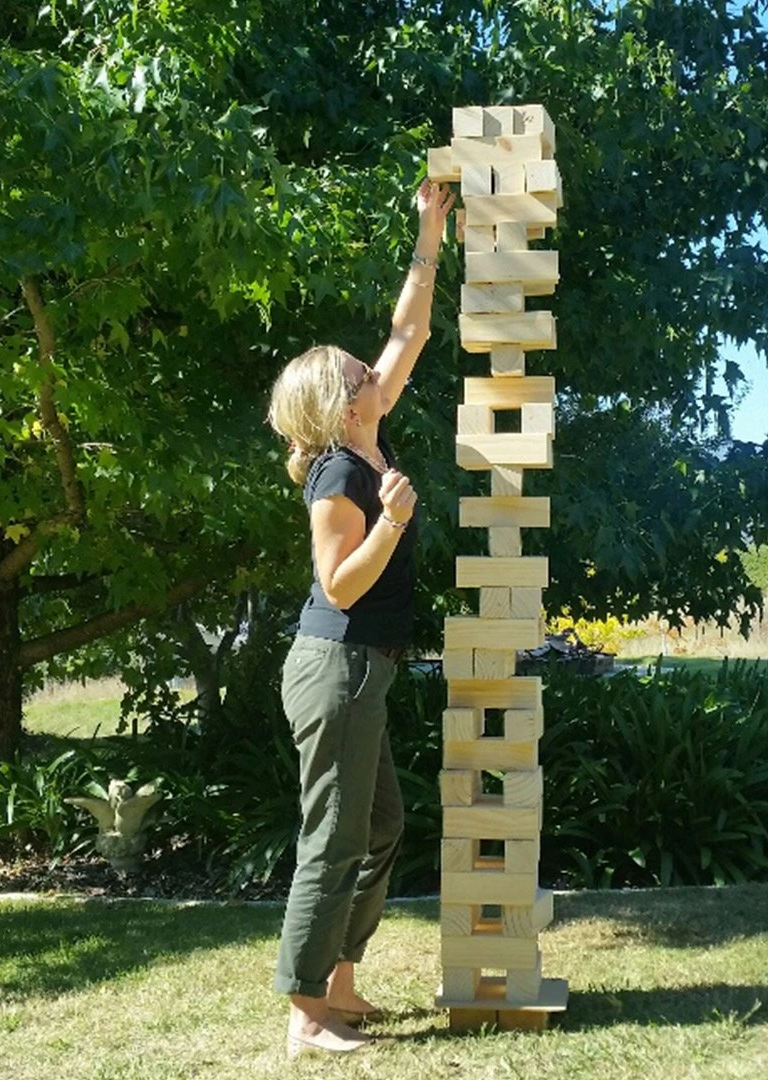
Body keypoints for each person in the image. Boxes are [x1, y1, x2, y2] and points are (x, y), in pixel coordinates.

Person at [266, 178, 456, 1057]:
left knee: (381, 828)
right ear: (340, 403)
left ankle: (342, 983)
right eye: (356, 371)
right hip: (335, 666)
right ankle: (306, 1014)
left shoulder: (368, 438)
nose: (371, 370)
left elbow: (409, 329)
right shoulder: (341, 477)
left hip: (362, 668)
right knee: (336, 835)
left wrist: (429, 228)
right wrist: (393, 524)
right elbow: (339, 586)